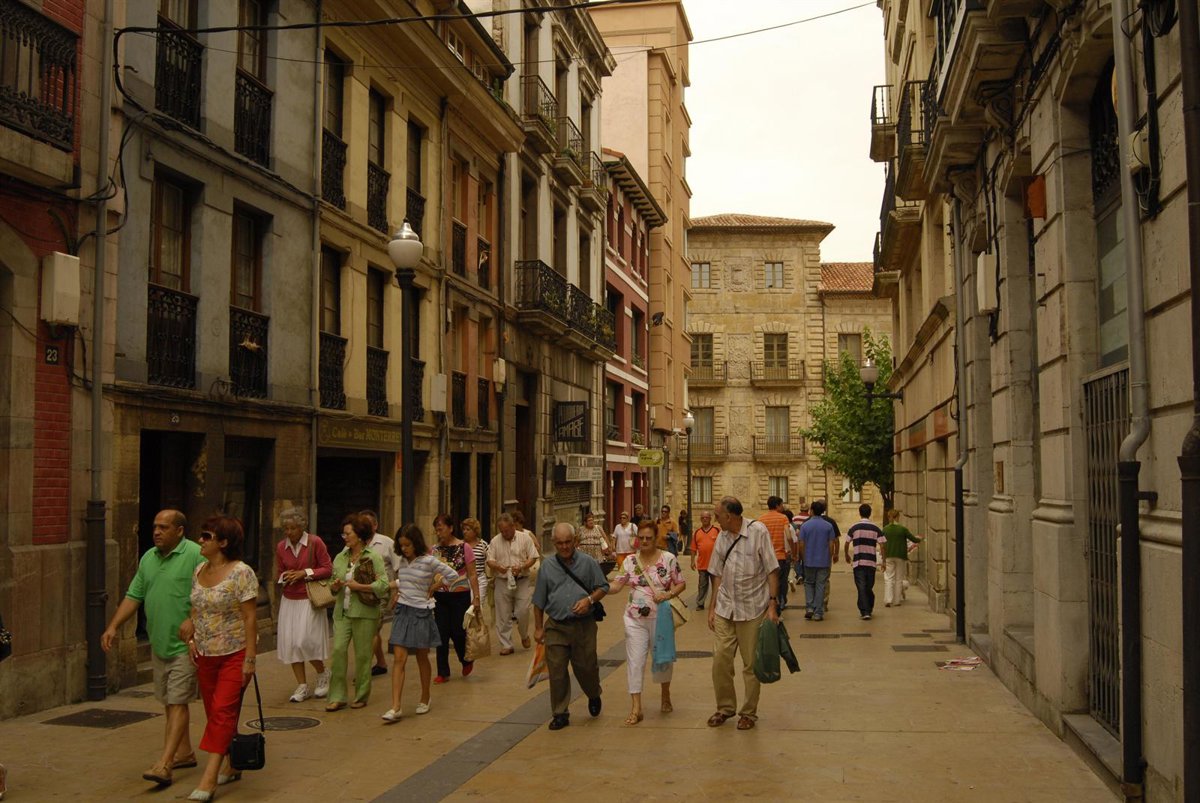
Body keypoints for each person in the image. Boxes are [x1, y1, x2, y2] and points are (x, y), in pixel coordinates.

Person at [101, 509, 204, 788]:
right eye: (155, 526)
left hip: (186, 646)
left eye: (163, 527)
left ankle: (165, 763)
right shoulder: (149, 557)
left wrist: (192, 619)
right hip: (159, 643)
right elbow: (134, 595)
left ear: (179, 530)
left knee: (178, 701)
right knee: (169, 701)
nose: (157, 532)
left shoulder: (196, 555)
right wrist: (113, 626)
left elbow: (207, 593)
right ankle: (184, 752)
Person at [180, 515, 259, 801]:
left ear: (223, 542)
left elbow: (250, 617)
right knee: (216, 712)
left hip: (234, 653)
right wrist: (191, 632)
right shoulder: (199, 569)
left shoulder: (241, 573)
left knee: (223, 710)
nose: (199, 540)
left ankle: (209, 779)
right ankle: (233, 762)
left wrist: (250, 658)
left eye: (206, 536)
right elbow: (196, 608)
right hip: (205, 653)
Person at [705, 497, 780, 731]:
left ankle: (748, 713)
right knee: (720, 659)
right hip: (726, 607)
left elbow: (772, 570)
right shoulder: (722, 536)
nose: (715, 519)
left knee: (751, 664)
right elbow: (717, 573)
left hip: (752, 608)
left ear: (729, 516)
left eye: (718, 515)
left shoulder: (758, 532)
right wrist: (712, 607)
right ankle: (725, 707)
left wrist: (772, 605)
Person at [532, 522, 610, 730]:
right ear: (554, 543)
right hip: (556, 626)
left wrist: (589, 600)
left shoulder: (588, 563)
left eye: (568, 542)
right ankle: (560, 713)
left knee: (586, 667)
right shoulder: (547, 566)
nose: (564, 547)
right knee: (557, 670)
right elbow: (538, 600)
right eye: (560, 543)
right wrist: (538, 627)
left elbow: (603, 586)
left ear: (575, 541)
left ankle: (593, 693)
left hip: (583, 626)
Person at [608, 518, 685, 724]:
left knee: (663, 658)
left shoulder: (668, 559)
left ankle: (665, 694)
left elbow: (680, 583)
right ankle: (636, 707)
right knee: (635, 661)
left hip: (661, 618)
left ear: (656, 538)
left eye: (648, 538)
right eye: (641, 538)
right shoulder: (630, 561)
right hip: (634, 618)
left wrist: (668, 594)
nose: (644, 541)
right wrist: (602, 588)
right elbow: (617, 584)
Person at [381, 525, 460, 722]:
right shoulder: (402, 561)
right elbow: (404, 580)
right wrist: (397, 591)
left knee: (422, 657)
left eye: (407, 545)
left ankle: (425, 697)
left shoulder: (428, 561)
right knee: (399, 659)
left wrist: (435, 586)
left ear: (416, 543)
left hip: (421, 612)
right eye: (401, 545)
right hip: (402, 611)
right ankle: (395, 706)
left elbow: (453, 575)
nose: (404, 549)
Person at [326, 514, 390, 711]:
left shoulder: (373, 557)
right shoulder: (340, 557)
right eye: (343, 534)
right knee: (338, 651)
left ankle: (361, 695)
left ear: (360, 535)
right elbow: (331, 585)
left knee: (363, 656)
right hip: (342, 612)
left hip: (364, 612)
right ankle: (337, 696)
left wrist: (360, 587)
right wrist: (335, 586)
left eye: (348, 533)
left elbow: (383, 585)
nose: (345, 537)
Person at [274, 507, 332, 702]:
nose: (289, 532)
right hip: (289, 599)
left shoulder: (315, 543)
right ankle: (302, 685)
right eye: (286, 528)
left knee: (305, 641)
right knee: (292, 644)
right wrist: (285, 576)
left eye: (292, 528)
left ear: (301, 527)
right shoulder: (281, 547)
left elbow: (327, 569)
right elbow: (279, 572)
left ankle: (322, 673)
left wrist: (304, 573)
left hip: (309, 598)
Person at [430, 514, 481, 683]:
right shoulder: (434, 550)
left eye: (441, 529)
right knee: (441, 633)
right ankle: (442, 671)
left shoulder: (464, 547)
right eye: (437, 530)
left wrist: (476, 597)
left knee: (458, 631)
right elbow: (430, 573)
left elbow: (472, 574)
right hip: (440, 596)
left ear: (450, 528)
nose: (439, 533)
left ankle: (465, 659)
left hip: (460, 595)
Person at [487, 513, 540, 655]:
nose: (504, 534)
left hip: (522, 580)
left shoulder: (525, 538)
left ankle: (524, 634)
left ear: (513, 526)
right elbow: (490, 560)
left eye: (506, 530)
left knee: (523, 611)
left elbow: (533, 557)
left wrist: (522, 566)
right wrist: (498, 567)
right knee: (503, 614)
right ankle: (506, 644)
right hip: (502, 580)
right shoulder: (495, 541)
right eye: (501, 531)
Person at [362, 510, 398, 677]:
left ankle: (363, 669)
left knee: (372, 629)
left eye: (367, 524)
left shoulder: (386, 543)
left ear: (375, 525)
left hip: (381, 594)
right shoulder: (354, 542)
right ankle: (381, 663)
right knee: (371, 630)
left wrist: (397, 592)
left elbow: (399, 567)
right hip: (360, 593)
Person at [844, 504, 887, 620]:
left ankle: (866, 609)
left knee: (862, 587)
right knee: (868, 586)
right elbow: (882, 545)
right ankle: (866, 609)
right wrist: (884, 561)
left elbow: (847, 542)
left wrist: (847, 555)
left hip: (858, 562)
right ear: (870, 513)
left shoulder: (854, 527)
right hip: (871, 562)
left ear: (859, 513)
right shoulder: (875, 528)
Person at [799, 500, 838, 621]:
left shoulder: (805, 526)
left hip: (809, 559)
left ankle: (810, 607)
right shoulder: (828, 526)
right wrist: (829, 557)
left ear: (811, 510)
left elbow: (801, 544)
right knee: (821, 585)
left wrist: (803, 557)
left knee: (809, 583)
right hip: (823, 560)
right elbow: (831, 544)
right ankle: (818, 612)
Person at [882, 508, 922, 607]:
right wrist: (920, 539)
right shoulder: (902, 529)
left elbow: (882, 543)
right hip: (900, 556)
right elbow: (913, 539)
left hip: (889, 555)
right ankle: (897, 601)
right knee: (899, 578)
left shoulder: (885, 529)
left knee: (889, 578)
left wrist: (883, 558)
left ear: (889, 517)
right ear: (897, 517)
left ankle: (888, 599)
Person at [758, 496, 792, 612]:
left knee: (768, 582)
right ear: (777, 505)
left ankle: (769, 604)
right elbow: (788, 536)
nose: (783, 507)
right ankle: (780, 602)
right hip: (780, 556)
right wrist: (792, 550)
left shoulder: (761, 519)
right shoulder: (783, 518)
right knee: (781, 581)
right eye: (781, 504)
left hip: (765, 557)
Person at [690, 511, 721, 609]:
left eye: (706, 517)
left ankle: (717, 604)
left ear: (710, 518)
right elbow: (693, 548)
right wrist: (692, 561)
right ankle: (700, 603)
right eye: (703, 517)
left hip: (715, 565)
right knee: (702, 585)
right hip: (702, 564)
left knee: (716, 586)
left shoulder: (717, 530)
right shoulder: (697, 533)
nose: (705, 519)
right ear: (700, 519)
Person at [461, 517, 490, 621]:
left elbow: (490, 560)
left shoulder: (483, 545)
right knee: (465, 608)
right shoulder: (460, 545)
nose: (465, 532)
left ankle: (477, 628)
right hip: (464, 580)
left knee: (476, 607)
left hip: (479, 579)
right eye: (464, 529)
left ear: (475, 531)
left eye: (468, 529)